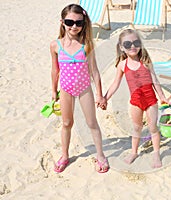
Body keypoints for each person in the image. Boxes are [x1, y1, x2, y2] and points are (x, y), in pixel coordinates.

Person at [50, 4, 109, 173]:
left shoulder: (86, 45)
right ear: (62, 22)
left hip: (84, 89)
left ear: (84, 24)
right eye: (69, 22)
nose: (74, 26)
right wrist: (54, 91)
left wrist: (100, 95)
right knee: (67, 123)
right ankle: (64, 155)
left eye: (79, 23)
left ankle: (100, 155)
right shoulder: (55, 45)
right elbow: (55, 70)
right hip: (66, 90)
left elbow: (95, 71)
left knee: (92, 122)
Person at [104, 29, 168, 168]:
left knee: (152, 127)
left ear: (140, 44)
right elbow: (115, 83)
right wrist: (105, 98)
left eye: (136, 42)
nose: (132, 46)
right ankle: (134, 152)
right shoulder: (122, 65)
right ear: (122, 47)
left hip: (151, 100)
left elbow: (155, 80)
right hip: (135, 102)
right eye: (127, 44)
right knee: (137, 128)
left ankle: (156, 153)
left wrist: (162, 96)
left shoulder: (146, 61)